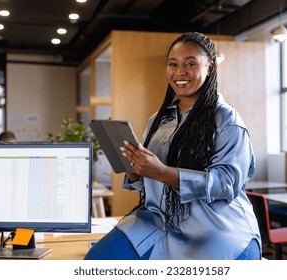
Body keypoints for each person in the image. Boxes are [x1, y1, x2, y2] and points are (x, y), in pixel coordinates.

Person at [85, 32, 261, 260]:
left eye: (190, 64)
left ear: (209, 67)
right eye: (173, 64)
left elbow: (227, 184)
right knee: (96, 261)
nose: (180, 72)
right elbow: (152, 184)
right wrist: (136, 170)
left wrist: (162, 172)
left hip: (214, 227)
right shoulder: (159, 119)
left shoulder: (226, 119)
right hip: (159, 220)